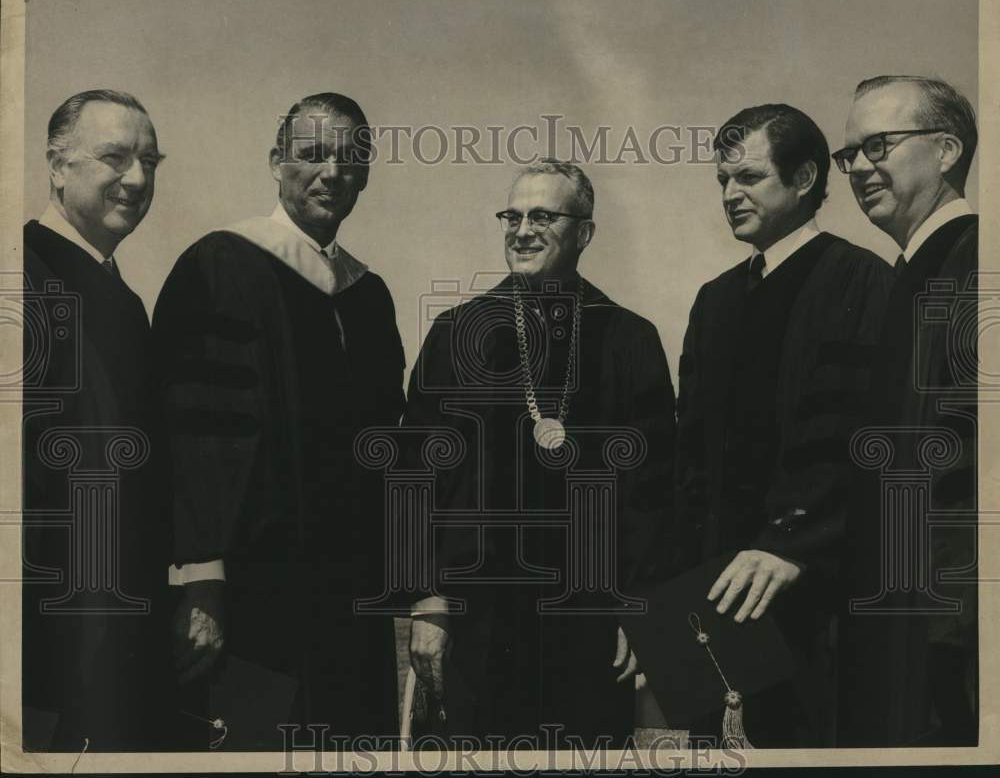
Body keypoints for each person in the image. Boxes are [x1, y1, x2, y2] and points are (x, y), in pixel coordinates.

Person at [151, 92, 404, 748]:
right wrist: (201, 579)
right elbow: (194, 431)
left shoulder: (368, 296)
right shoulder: (223, 264)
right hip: (253, 598)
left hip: (350, 604)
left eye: (349, 158)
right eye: (311, 154)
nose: (330, 172)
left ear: (367, 172)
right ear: (275, 162)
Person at [404, 160, 675, 749]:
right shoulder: (456, 334)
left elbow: (652, 490)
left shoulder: (631, 339)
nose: (521, 230)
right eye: (513, 215)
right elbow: (417, 475)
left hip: (590, 623)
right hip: (476, 617)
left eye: (542, 216)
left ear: (585, 232)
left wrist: (641, 607)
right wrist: (427, 600)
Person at [672, 104, 893, 747]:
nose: (730, 195)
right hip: (709, 588)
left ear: (803, 178)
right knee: (704, 751)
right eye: (722, 181)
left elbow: (855, 438)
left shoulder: (862, 281)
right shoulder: (714, 300)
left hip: (803, 585)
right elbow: (691, 456)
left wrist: (793, 541)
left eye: (748, 177)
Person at [22, 89, 174, 750]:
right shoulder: (18, 275)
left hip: (117, 635)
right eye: (114, 157)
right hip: (45, 640)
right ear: (57, 166)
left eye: (150, 160)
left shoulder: (123, 298)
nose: (137, 179)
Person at [834, 75, 978, 746]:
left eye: (880, 145)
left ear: (947, 149)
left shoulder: (980, 262)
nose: (860, 167)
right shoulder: (898, 278)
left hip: (950, 628)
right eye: (850, 154)